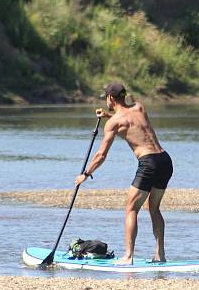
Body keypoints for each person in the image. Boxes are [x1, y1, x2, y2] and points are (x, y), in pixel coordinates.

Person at [74, 83, 173, 265]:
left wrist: (85, 174)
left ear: (110, 98)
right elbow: (132, 123)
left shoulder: (114, 123)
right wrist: (108, 116)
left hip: (148, 163)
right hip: (165, 160)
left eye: (106, 97)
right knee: (154, 208)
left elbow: (101, 155)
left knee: (131, 209)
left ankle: (128, 257)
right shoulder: (139, 107)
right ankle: (160, 254)